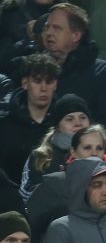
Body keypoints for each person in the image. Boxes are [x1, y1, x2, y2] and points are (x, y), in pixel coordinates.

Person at [24, 3, 106, 130]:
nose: (48, 33)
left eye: (57, 28)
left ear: (76, 35)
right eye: (46, 28)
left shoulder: (103, 73)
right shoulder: (33, 69)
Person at [0, 55, 60, 183]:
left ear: (55, 84)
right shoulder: (5, 121)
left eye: (49, 81)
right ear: (25, 83)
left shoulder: (63, 121)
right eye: (37, 81)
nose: (43, 88)